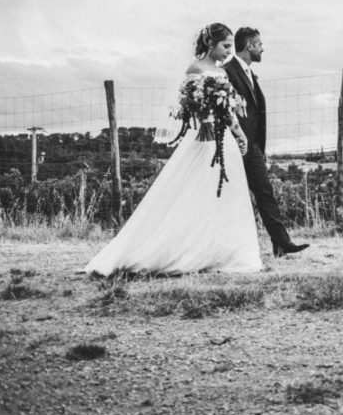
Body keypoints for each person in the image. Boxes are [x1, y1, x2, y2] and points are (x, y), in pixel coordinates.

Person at [84, 23, 263, 276]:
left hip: (224, 139)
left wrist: (239, 133)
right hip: (204, 138)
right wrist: (204, 115)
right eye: (225, 46)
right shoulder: (196, 70)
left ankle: (225, 251)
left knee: (228, 194)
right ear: (210, 45)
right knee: (197, 192)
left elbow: (228, 109)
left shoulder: (222, 73)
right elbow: (190, 107)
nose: (228, 52)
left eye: (230, 47)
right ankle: (187, 248)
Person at [224, 26, 310, 257]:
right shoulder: (226, 71)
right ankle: (227, 247)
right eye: (260, 44)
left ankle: (281, 243)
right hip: (233, 146)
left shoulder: (250, 73)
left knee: (265, 192)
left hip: (252, 147)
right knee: (230, 196)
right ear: (249, 46)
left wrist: (257, 146)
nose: (263, 48)